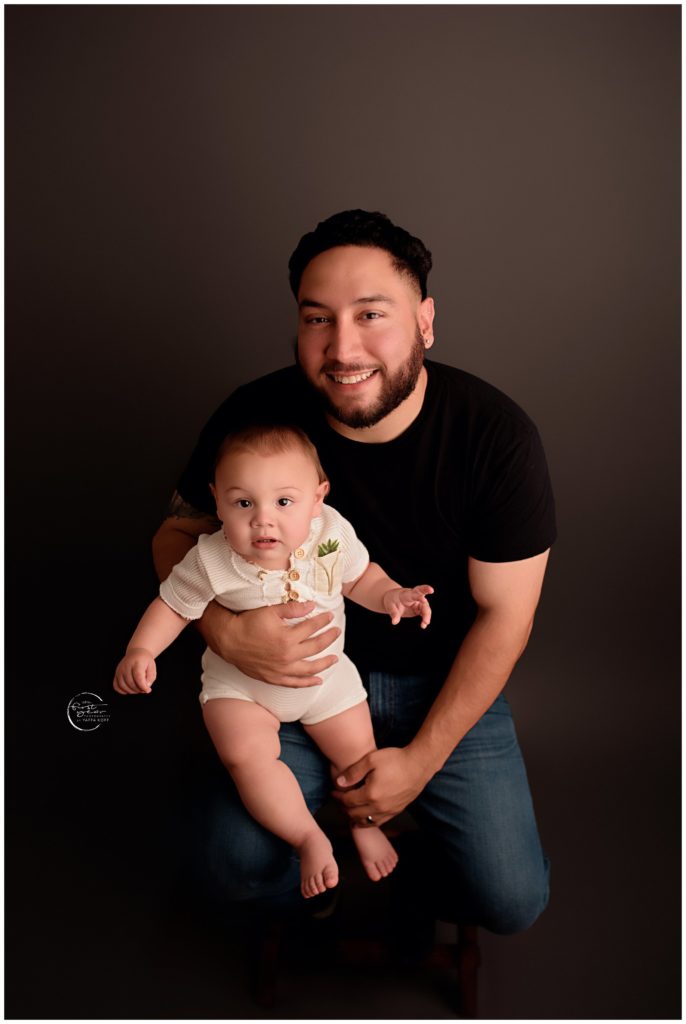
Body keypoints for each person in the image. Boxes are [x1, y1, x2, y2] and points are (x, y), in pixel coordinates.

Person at [152, 209, 557, 940]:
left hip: (441, 682)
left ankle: (396, 878)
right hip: (283, 687)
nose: (342, 348)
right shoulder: (255, 415)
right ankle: (320, 866)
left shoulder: (496, 437)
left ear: (425, 320)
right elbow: (176, 537)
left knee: (511, 898)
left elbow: (508, 617)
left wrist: (422, 761)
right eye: (317, 319)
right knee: (232, 864)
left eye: (372, 314)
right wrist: (228, 633)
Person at [114, 424, 433, 899]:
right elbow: (174, 605)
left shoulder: (329, 536)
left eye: (284, 502)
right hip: (243, 689)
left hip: (325, 676)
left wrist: (392, 595)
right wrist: (141, 650)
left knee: (357, 751)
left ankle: (363, 820)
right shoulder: (212, 558)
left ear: (317, 498)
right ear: (217, 500)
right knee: (245, 757)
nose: (263, 521)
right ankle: (308, 836)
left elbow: (358, 576)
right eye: (243, 503)